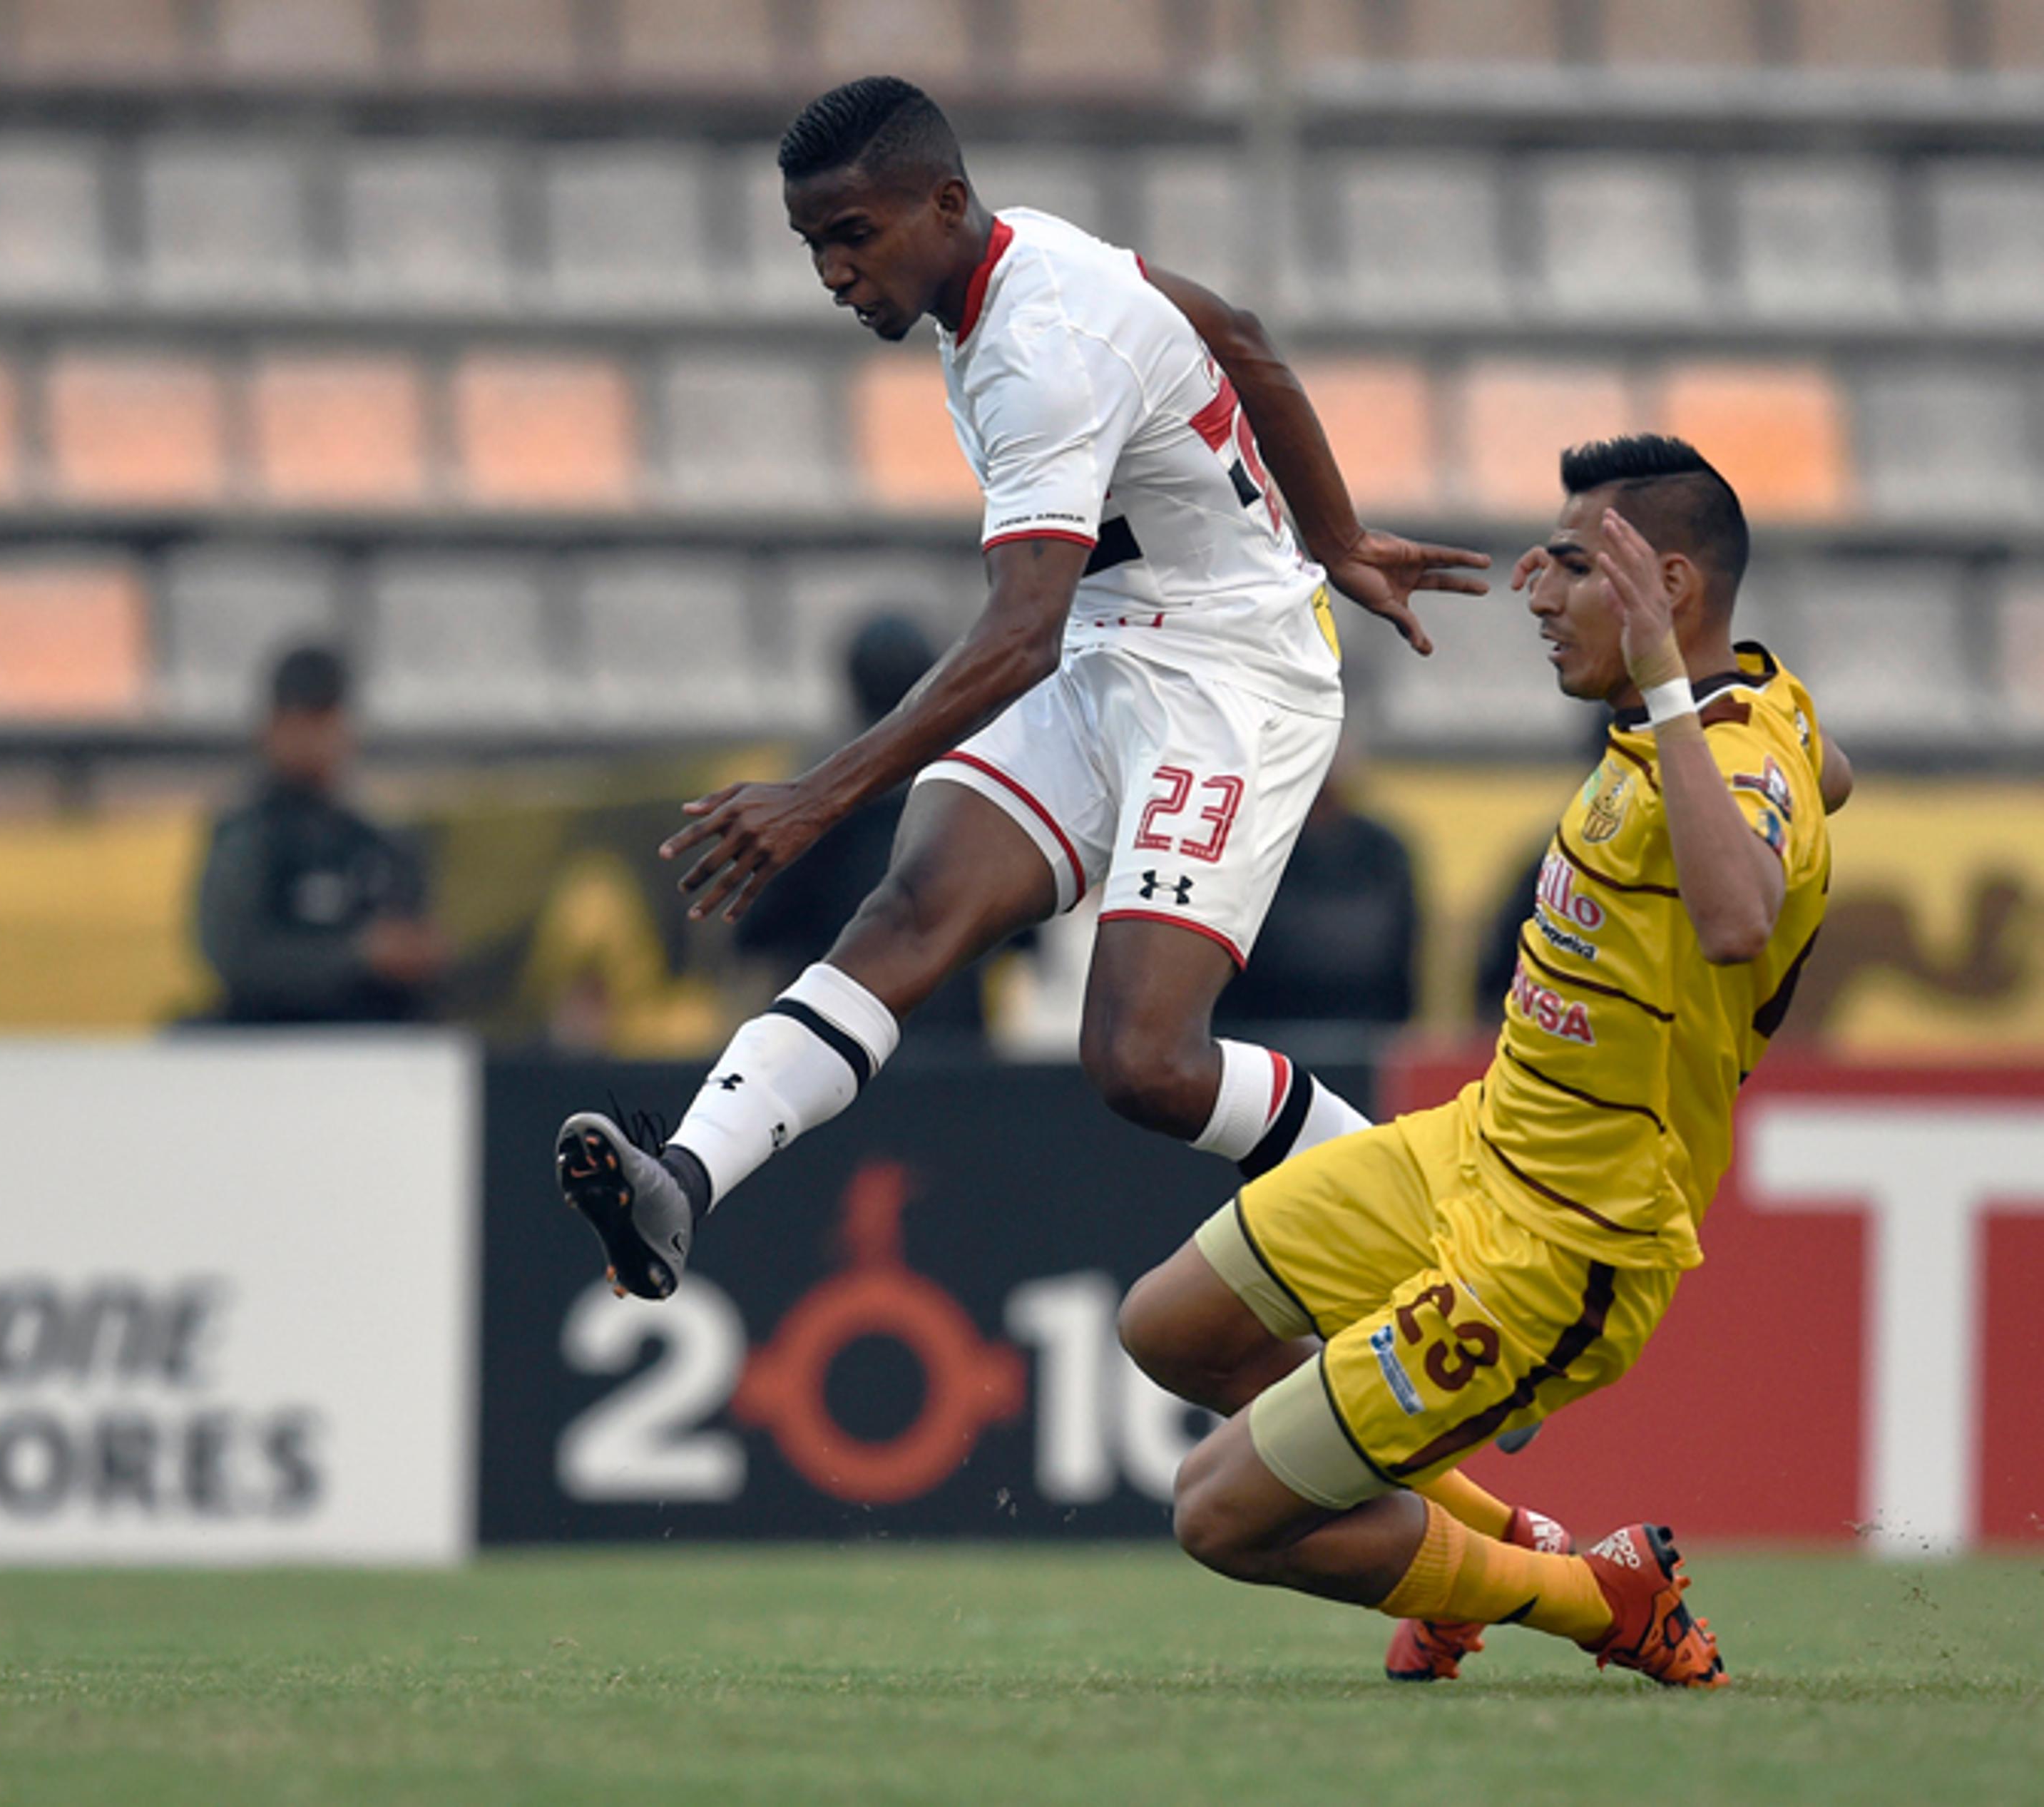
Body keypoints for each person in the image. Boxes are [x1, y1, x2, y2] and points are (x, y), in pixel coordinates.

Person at [553, 75, 1486, 1300]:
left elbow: (1019, 636)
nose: (833, 272)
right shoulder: (1022, 265)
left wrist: (817, 795)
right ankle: (682, 1179)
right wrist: (1340, 535)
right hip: (1120, 649)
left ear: (943, 204)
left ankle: (1455, 1257)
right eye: (813, 245)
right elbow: (1239, 334)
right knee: (908, 911)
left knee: (1145, 1061)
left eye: (852, 236)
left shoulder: (1040, 353)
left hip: (1229, 681)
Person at [1116, 435, 1852, 1689]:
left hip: (1568, 1235)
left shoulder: (1712, 747)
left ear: (1668, 588)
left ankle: (1593, 1601)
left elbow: (1736, 920)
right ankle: (1531, 1544)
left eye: (1574, 564)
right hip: (1476, 1145)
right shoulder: (1755, 721)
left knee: (1218, 1512)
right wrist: (1715, 714)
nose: (1538, 592)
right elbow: (1829, 772)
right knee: (1170, 1327)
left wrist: (1677, 692)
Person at [736, 613, 993, 1040]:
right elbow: (1022, 936)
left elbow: (758, 931)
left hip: (838, 1036)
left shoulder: (817, 808)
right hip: (954, 1039)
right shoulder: (971, 802)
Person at [193, 645, 446, 1024]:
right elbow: (236, 956)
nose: (311, 738)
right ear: (271, 729)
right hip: (269, 1043)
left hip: (373, 1042)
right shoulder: (251, 836)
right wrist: (356, 956)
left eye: (323, 721)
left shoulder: (380, 840)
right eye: (298, 722)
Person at [1211, 737, 1419, 1035]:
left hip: (1365, 1032)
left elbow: (1397, 948)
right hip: (1260, 1027)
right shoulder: (1257, 844)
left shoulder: (1382, 850)